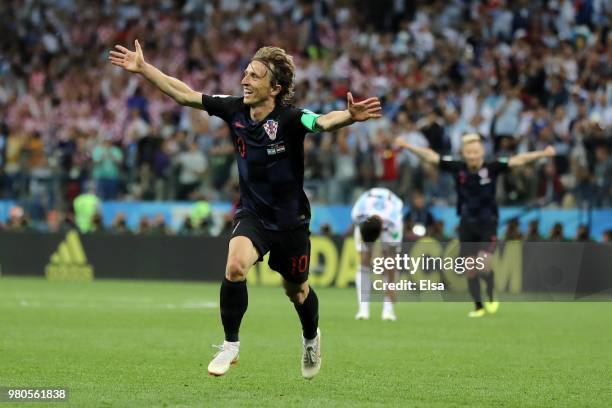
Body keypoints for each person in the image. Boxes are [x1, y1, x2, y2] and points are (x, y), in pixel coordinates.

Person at [110, 40, 382, 378]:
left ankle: (311, 337)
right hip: (253, 214)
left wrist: (349, 118)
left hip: (291, 221)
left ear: (275, 88)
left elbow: (322, 122)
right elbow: (185, 95)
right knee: (236, 266)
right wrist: (145, 68)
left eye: (254, 76)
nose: (245, 80)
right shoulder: (234, 109)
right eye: (246, 73)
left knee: (296, 291)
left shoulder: (292, 118)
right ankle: (230, 345)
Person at [395, 133, 555, 317]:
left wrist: (542, 153)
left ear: (482, 152)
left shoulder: (492, 168)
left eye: (475, 152)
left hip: (488, 222)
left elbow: (519, 160)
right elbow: (430, 156)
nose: (472, 156)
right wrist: (407, 145)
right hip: (466, 222)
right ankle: (478, 307)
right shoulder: (458, 168)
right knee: (470, 269)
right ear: (464, 153)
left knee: (483, 265)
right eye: (468, 152)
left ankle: (491, 293)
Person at [351, 188, 404, 321]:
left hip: (390, 208)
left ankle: (388, 310)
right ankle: (363, 309)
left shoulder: (394, 221)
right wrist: (367, 249)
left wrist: (392, 288)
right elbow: (363, 240)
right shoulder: (357, 213)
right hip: (368, 211)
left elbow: (392, 259)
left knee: (389, 263)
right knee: (364, 258)